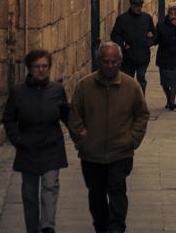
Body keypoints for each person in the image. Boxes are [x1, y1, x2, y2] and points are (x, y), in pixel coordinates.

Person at [69, 42, 149, 233]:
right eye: (106, 62)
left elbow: (141, 114)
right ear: (99, 62)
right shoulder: (85, 86)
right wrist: (82, 140)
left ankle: (116, 227)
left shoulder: (131, 86)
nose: (110, 66)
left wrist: (132, 139)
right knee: (96, 195)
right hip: (92, 154)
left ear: (120, 62)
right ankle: (101, 225)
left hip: (120, 152)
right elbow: (74, 116)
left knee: (117, 190)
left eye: (114, 62)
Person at [1, 49, 69, 233]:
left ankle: (47, 226)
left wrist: (81, 135)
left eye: (44, 66)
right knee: (30, 194)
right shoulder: (18, 92)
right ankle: (32, 229)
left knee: (49, 186)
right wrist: (18, 140)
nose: (41, 70)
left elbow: (66, 115)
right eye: (37, 67)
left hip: (51, 146)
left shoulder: (57, 90)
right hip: (28, 148)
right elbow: (8, 119)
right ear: (29, 69)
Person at [110, 0, 155, 91]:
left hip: (143, 55)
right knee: (127, 80)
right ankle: (129, 100)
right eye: (136, 6)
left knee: (141, 77)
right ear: (131, 6)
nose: (138, 8)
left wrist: (149, 42)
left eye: (140, 6)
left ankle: (141, 99)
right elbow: (115, 35)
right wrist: (123, 45)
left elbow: (154, 34)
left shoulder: (147, 18)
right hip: (128, 56)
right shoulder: (122, 19)